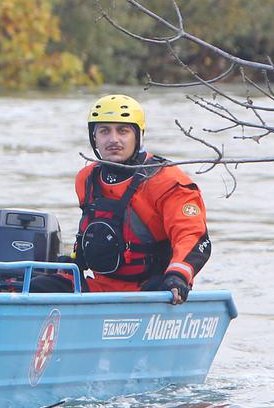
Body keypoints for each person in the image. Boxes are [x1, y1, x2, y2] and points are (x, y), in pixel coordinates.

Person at [32, 93, 212, 303]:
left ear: (138, 136)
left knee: (162, 284)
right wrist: (75, 261)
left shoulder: (169, 182)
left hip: (150, 289)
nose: (113, 139)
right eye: (104, 131)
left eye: (123, 131)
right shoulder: (87, 178)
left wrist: (178, 275)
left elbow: (193, 236)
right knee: (35, 286)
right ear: (94, 138)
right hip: (100, 287)